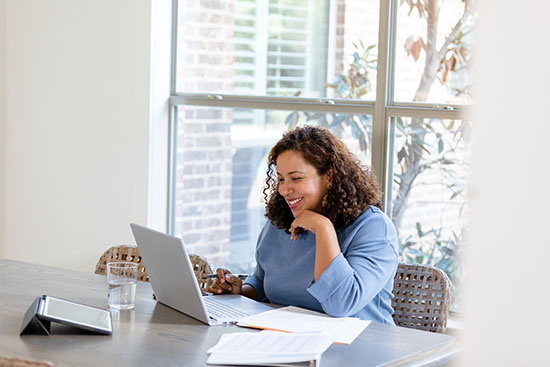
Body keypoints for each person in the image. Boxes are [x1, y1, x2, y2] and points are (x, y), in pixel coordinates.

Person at [208, 126, 398, 324]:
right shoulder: (281, 219)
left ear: (330, 177)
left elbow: (341, 304)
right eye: (281, 179)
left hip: (362, 347)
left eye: (296, 178)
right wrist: (241, 291)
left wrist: (323, 227)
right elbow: (264, 281)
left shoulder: (373, 228)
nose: (284, 189)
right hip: (288, 340)